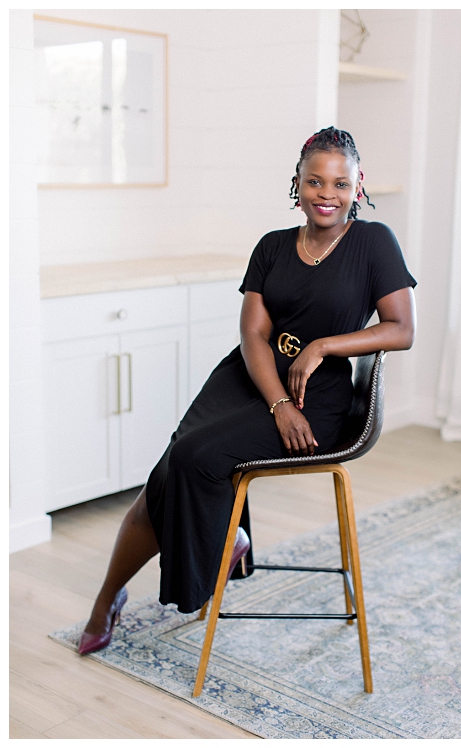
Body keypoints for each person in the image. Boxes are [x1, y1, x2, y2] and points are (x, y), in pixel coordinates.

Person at [78, 127, 417, 654]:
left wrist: (323, 346)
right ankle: (112, 594)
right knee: (167, 472)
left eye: (340, 183)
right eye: (315, 182)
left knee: (190, 457)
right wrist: (276, 402)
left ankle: (221, 538)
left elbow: (401, 329)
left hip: (317, 400)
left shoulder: (374, 242)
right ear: (297, 184)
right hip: (247, 379)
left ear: (358, 186)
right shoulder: (272, 246)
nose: (327, 194)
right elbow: (253, 334)